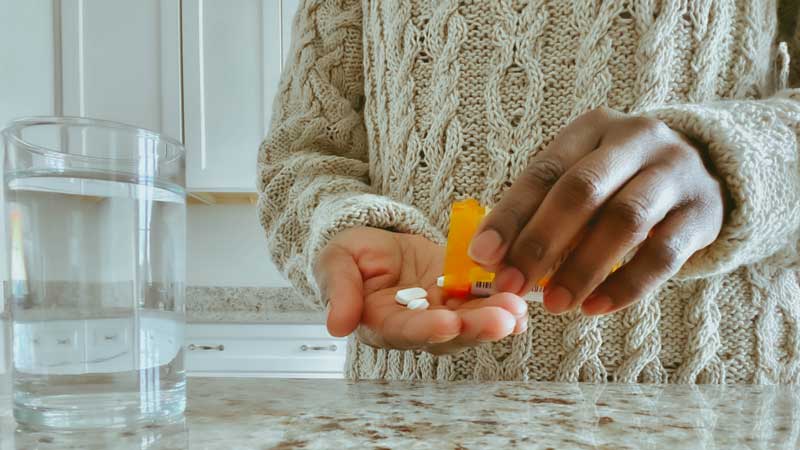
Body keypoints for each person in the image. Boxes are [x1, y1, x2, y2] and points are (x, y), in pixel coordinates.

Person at [257, 0, 800, 383]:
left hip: (715, 398)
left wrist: (731, 163)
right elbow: (302, 150)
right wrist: (350, 223)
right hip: (417, 404)